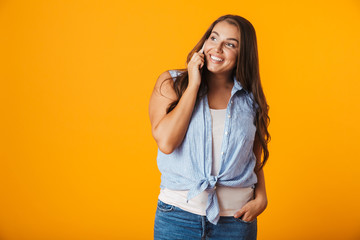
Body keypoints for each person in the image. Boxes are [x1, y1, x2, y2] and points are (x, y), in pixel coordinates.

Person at [149, 14, 270, 240]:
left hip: (236, 221)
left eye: (230, 44)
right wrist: (193, 85)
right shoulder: (172, 84)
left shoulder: (249, 99)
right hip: (178, 217)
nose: (217, 48)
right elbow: (166, 142)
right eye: (214, 38)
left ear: (243, 54)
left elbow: (253, 153)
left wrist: (261, 197)